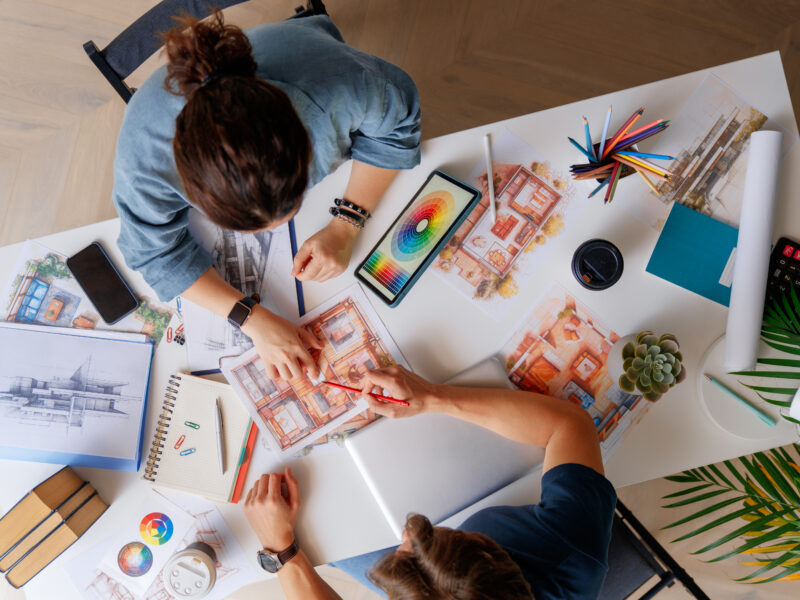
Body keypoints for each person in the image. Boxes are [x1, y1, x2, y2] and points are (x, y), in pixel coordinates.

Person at [112, 11, 420, 380]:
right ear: (187, 186)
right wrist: (250, 318)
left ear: (306, 140)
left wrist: (346, 224)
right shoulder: (143, 162)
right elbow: (151, 253)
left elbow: (398, 126)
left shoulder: (341, 82)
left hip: (305, 53)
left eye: (293, 203)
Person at [242, 366, 617, 599]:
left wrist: (281, 550)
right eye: (435, 539)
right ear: (499, 560)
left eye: (410, 549)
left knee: (321, 531)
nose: (405, 535)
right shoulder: (572, 557)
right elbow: (571, 424)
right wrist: (435, 398)